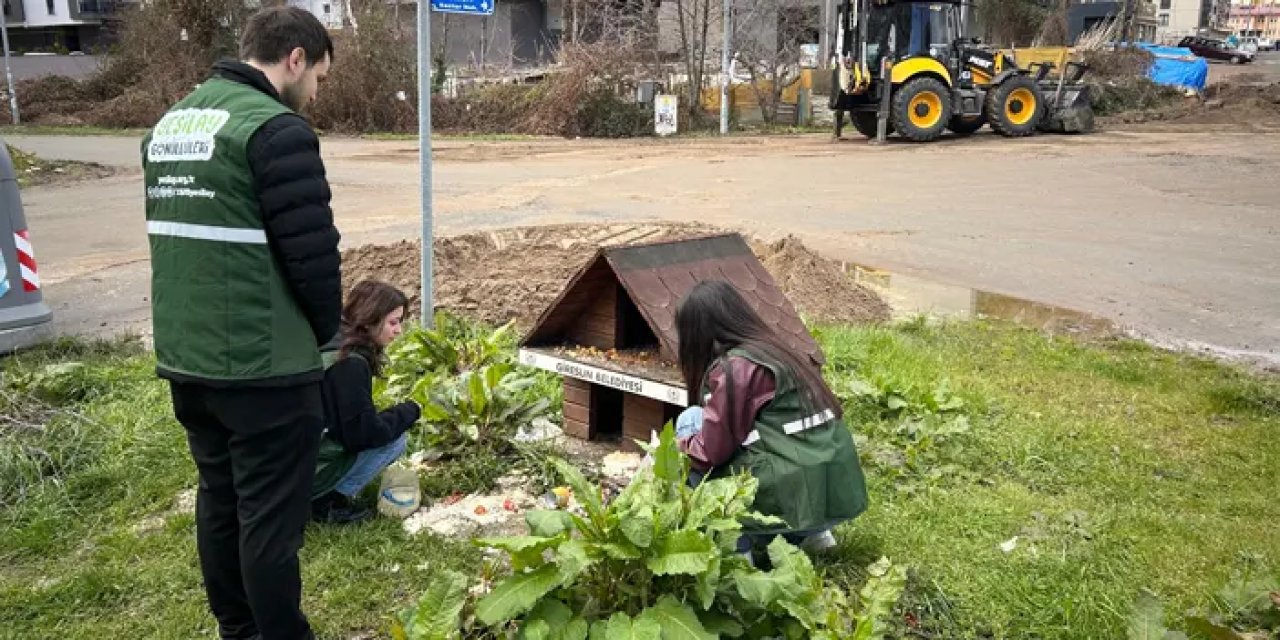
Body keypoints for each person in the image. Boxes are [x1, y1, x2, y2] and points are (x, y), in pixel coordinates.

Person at [142, 7, 339, 640]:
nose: (316, 94)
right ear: (295, 59)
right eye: (319, 78)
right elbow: (312, 257)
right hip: (262, 365)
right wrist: (327, 334)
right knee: (269, 520)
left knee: (221, 499)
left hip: (188, 359)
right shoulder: (276, 131)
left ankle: (239, 630)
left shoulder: (172, 123)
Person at [674, 280, 868, 555]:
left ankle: (737, 554)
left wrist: (674, 448)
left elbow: (710, 453)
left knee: (691, 421)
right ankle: (815, 538)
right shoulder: (779, 350)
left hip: (797, 501)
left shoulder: (736, 368)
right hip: (837, 495)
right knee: (784, 438)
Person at [311, 280, 422, 524]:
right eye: (393, 322)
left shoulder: (331, 338)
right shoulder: (349, 363)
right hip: (307, 468)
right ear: (370, 319)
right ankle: (326, 502)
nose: (399, 330)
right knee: (394, 441)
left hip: (285, 458)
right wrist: (410, 411)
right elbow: (363, 435)